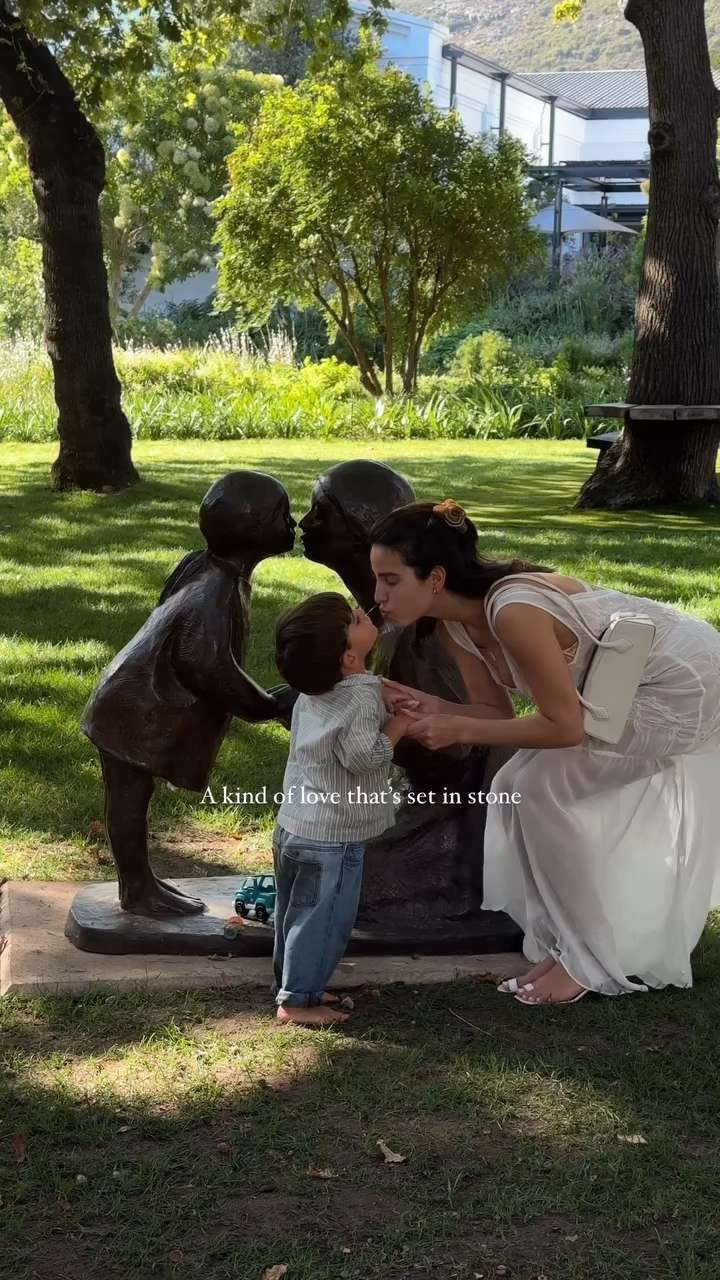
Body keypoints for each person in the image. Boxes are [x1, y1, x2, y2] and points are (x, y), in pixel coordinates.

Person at [372, 498, 720, 1006]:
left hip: (683, 685)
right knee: (514, 785)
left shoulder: (512, 611)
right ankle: (566, 947)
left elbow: (563, 726)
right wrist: (436, 707)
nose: (378, 595)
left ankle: (588, 962)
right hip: (611, 700)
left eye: (391, 579)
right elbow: (494, 714)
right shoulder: (456, 623)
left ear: (437, 578)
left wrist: (453, 728)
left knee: (537, 788)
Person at [81, 471, 295, 917]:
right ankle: (137, 889)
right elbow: (209, 666)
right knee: (128, 799)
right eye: (283, 515)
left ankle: (138, 883)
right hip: (130, 709)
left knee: (129, 799)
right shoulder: (214, 590)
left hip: (129, 700)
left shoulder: (211, 568)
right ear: (254, 530)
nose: (293, 523)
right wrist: (267, 707)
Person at [272, 592, 410, 1026]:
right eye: (354, 616)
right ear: (350, 656)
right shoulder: (362, 696)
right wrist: (400, 724)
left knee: (293, 913)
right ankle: (296, 1003)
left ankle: (298, 986)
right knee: (323, 917)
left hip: (295, 825)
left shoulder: (312, 691)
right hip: (330, 836)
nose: (363, 612)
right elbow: (363, 757)